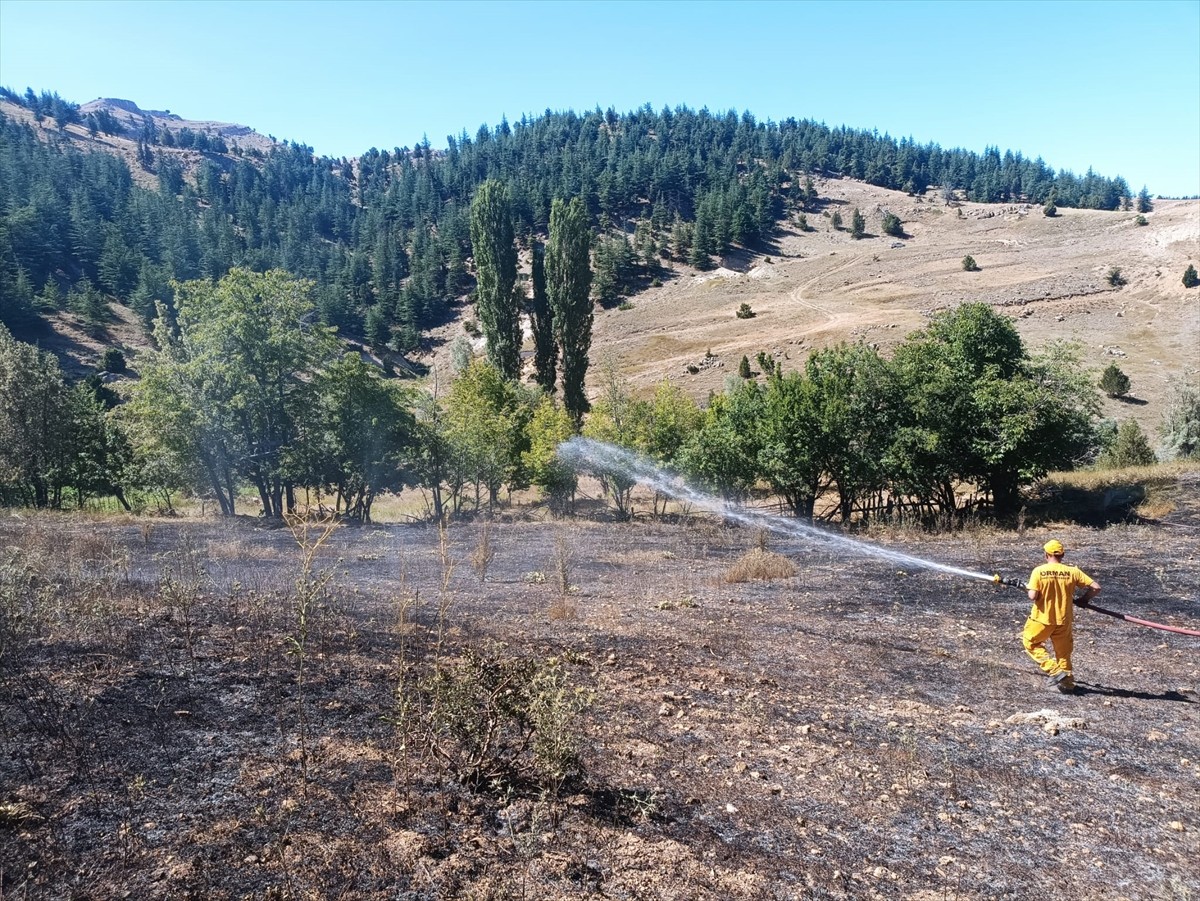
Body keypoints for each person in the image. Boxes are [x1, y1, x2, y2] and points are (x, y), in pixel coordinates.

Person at [1023, 539, 1100, 693]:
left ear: (1046, 554)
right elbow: (1096, 587)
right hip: (1064, 620)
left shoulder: (1038, 571)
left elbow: (1033, 596)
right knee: (1063, 652)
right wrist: (1084, 599)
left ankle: (1055, 671)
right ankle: (1068, 685)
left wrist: (1028, 588)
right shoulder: (1073, 572)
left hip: (1042, 619)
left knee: (1030, 643)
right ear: (1062, 555)